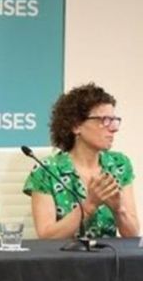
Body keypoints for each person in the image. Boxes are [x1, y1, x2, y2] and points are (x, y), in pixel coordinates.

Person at [24, 83, 139, 239]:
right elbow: (46, 237)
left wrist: (119, 211)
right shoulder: (47, 170)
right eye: (105, 120)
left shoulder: (119, 164)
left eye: (114, 120)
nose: (113, 128)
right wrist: (89, 206)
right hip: (64, 255)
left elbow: (132, 235)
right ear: (76, 126)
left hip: (110, 254)